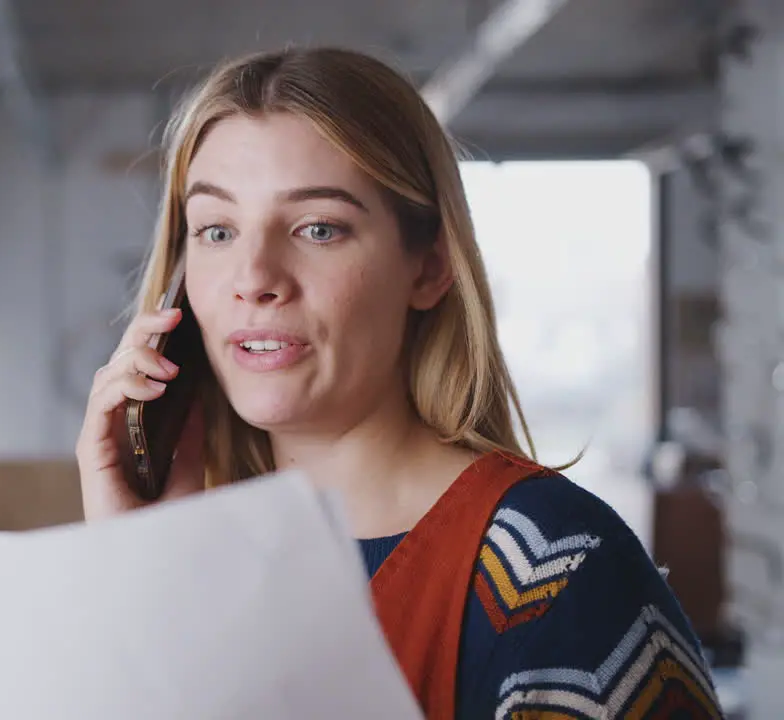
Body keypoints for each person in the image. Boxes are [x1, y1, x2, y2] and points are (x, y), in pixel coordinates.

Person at [75, 47, 724, 720]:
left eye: (318, 228)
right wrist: (137, 577)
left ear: (428, 268)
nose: (254, 277)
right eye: (216, 230)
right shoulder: (189, 573)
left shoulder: (555, 576)